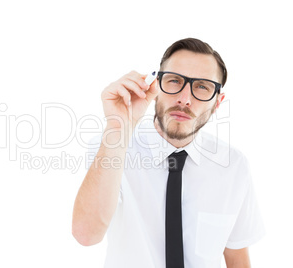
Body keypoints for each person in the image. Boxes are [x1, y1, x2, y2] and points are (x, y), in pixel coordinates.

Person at [72, 38, 265, 268]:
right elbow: (86, 235)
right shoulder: (114, 146)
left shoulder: (233, 166)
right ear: (155, 86)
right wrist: (117, 130)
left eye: (202, 86)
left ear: (217, 102)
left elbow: (237, 259)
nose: (185, 99)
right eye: (175, 81)